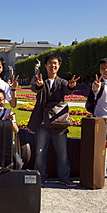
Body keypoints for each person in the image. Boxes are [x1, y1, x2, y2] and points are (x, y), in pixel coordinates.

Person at [27, 53, 80, 187]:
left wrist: (71, 86)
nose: (53, 65)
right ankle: (40, 176)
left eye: (55, 63)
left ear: (59, 66)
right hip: (42, 122)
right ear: (45, 66)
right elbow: (34, 88)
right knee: (40, 152)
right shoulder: (40, 80)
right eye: (50, 63)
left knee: (62, 152)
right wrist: (38, 85)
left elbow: (67, 90)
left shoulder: (62, 82)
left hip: (58, 122)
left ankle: (64, 177)